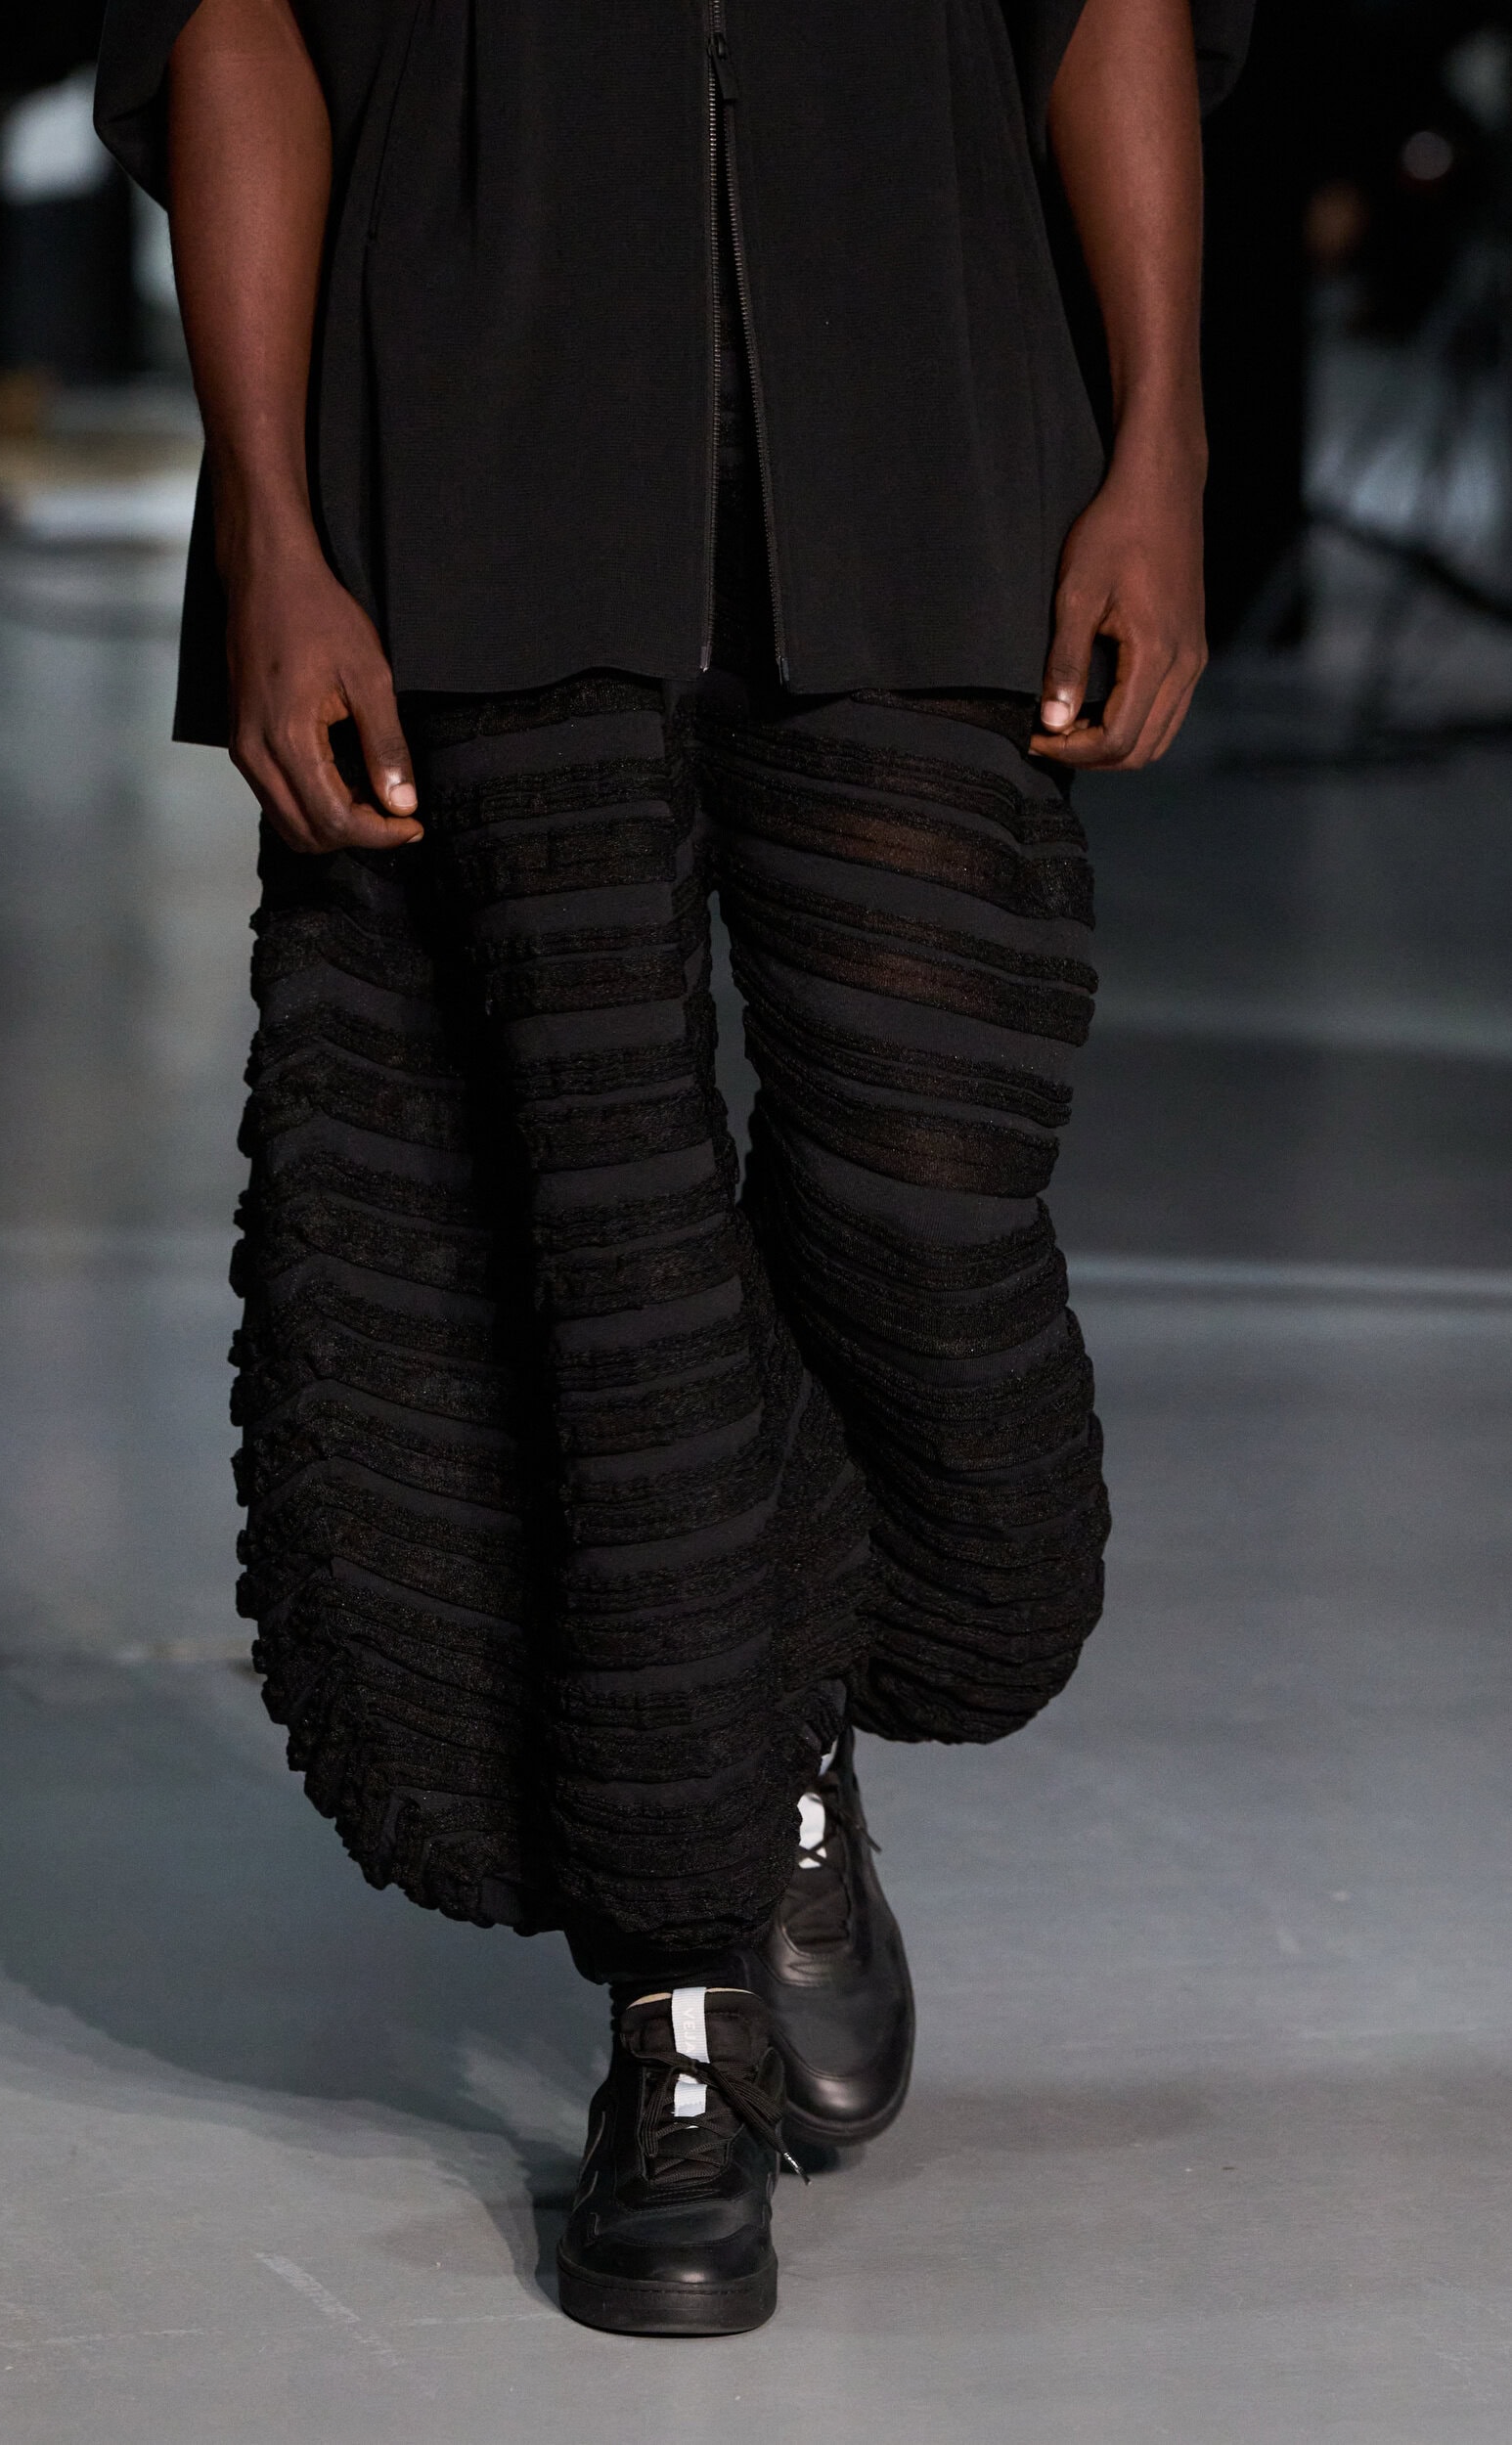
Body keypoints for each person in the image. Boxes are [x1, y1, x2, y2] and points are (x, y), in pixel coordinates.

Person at [96, 0, 1252, 2337]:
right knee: (606, 1272)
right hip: (469, 419)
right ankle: (679, 2016)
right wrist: (277, 533)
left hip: (929, 394)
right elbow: (234, 21)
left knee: (933, 1225)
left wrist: (1160, 438)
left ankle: (778, 1696)